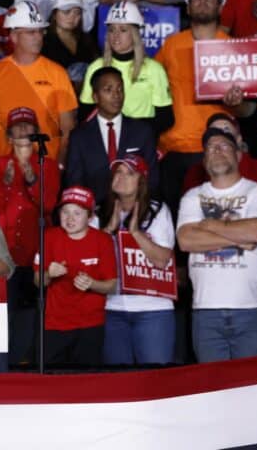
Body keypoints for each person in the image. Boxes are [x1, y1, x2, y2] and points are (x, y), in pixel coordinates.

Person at [177, 127, 257, 362]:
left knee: (252, 387)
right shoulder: (192, 196)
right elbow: (185, 239)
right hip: (206, 310)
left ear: (239, 154)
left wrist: (208, 224)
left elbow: (254, 231)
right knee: (212, 390)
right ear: (204, 160)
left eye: (224, 146)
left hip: (251, 307)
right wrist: (238, 237)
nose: (216, 151)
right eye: (210, 148)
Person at [0, 106, 60, 364]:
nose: (23, 131)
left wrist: (31, 179)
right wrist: (7, 184)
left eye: (28, 126)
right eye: (18, 127)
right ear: (9, 135)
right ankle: (4, 360)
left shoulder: (47, 165)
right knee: (6, 308)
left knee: (35, 309)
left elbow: (48, 205)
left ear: (37, 132)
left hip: (36, 246)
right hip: (7, 247)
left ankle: (31, 360)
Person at [154, 0, 231, 214]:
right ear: (187, 6)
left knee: (212, 218)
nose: (203, 0)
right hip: (172, 148)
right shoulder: (171, 44)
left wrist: (238, 103)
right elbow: (152, 84)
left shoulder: (233, 46)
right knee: (175, 217)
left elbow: (246, 109)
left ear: (220, 7)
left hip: (212, 148)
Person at [0, 1, 78, 168]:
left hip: (46, 167)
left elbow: (67, 126)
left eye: (40, 31)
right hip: (3, 168)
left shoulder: (57, 73)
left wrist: (60, 164)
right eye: (31, 32)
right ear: (14, 36)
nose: (38, 37)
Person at [96, 154, 176, 365]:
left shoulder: (157, 211)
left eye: (129, 173)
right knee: (117, 383)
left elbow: (162, 260)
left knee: (154, 381)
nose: (121, 177)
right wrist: (108, 230)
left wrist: (136, 233)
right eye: (118, 172)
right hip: (112, 309)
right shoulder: (99, 212)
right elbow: (89, 258)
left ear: (142, 180)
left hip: (152, 309)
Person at [34, 185, 117, 367]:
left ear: (90, 216)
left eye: (77, 213)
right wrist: (49, 274)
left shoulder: (102, 241)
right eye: (65, 212)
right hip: (55, 324)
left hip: (90, 324)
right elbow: (38, 281)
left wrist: (92, 283)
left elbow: (112, 284)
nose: (70, 218)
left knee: (87, 382)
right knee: (51, 382)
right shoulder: (48, 237)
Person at [65, 67, 159, 205]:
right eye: (108, 90)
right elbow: (75, 183)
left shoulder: (142, 131)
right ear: (95, 96)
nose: (116, 95)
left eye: (120, 89)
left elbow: (152, 179)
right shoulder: (79, 137)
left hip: (135, 211)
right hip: (94, 214)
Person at [78, 1, 174, 135]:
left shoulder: (153, 69)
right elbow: (85, 113)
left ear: (134, 34)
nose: (116, 35)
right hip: (105, 141)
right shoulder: (96, 67)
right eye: (112, 29)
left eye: (123, 30)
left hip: (140, 143)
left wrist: (129, 130)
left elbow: (166, 119)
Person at [42, 0, 100, 90]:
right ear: (55, 14)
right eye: (66, 12)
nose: (72, 17)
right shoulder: (43, 43)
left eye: (77, 13)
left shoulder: (87, 40)